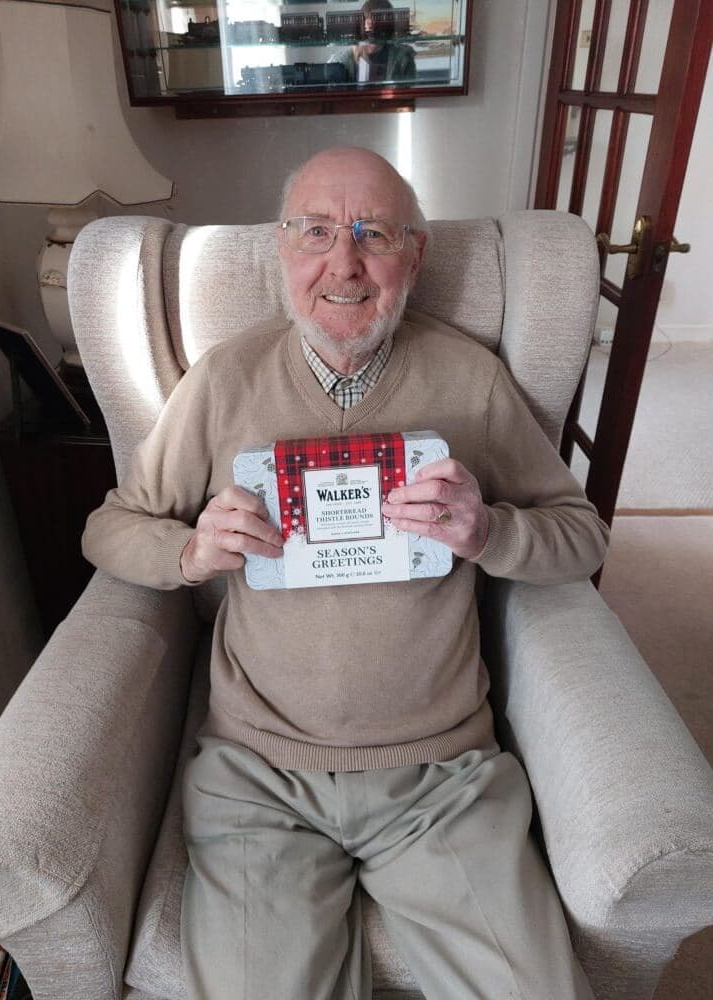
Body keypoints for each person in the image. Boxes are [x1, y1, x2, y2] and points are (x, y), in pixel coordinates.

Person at [82, 146, 608, 999]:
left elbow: (582, 537)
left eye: (374, 234)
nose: (345, 263)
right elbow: (109, 528)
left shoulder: (471, 381)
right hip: (258, 779)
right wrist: (190, 553)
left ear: (415, 256)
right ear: (281, 250)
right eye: (316, 231)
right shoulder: (223, 381)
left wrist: (489, 531)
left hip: (442, 778)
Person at [330, 0, 416, 84]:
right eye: (368, 30)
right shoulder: (343, 60)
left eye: (377, 25)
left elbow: (410, 90)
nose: (372, 34)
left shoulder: (403, 57)